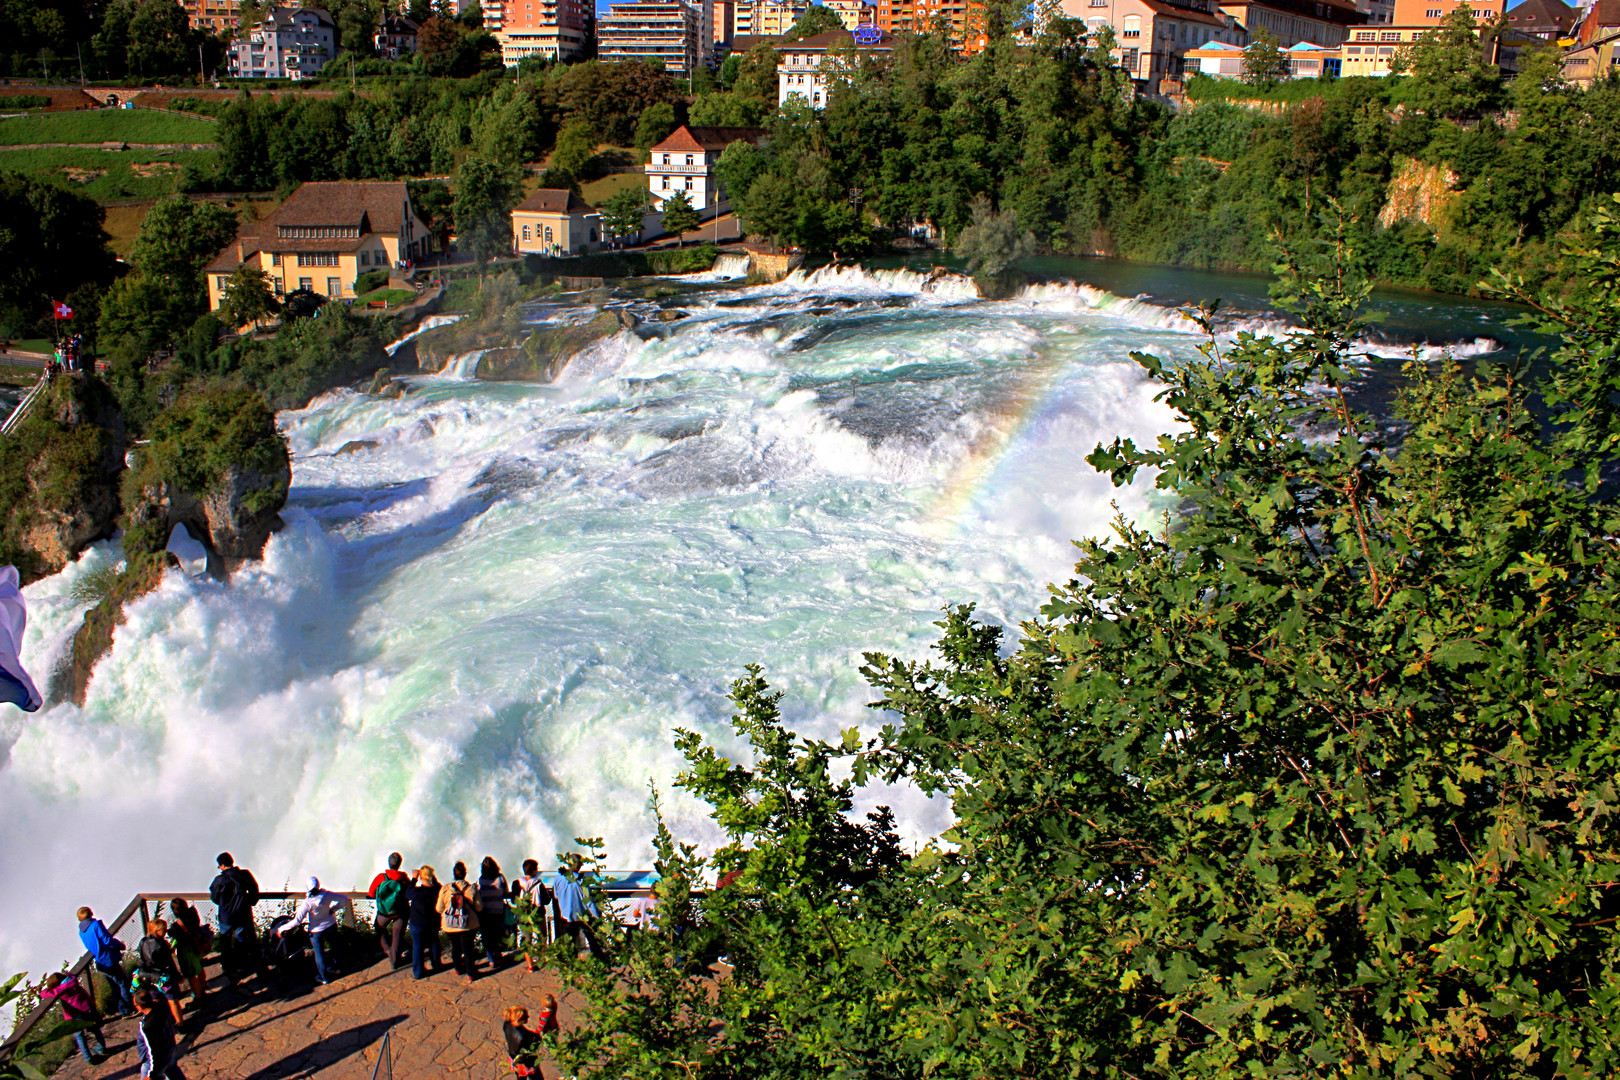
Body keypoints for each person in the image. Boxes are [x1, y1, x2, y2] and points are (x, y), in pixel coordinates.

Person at [282, 877, 351, 985]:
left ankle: (324, 978)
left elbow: (297, 921)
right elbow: (345, 899)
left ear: (307, 888)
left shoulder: (308, 903)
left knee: (319, 954)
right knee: (335, 947)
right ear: (318, 885)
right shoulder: (327, 895)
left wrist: (281, 928)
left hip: (316, 931)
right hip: (331, 925)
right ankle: (336, 968)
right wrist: (334, 909)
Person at [209, 852, 261, 981]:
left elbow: (214, 897)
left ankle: (227, 966)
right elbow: (254, 889)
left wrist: (222, 904)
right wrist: (250, 902)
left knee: (225, 940)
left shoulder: (219, 880)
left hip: (226, 915)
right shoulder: (244, 875)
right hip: (242, 913)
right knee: (241, 938)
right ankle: (242, 964)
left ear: (222, 865)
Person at [40, 972, 107, 1064]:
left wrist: (42, 990)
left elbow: (44, 994)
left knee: (79, 1035)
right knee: (94, 1028)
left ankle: (88, 1058)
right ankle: (102, 1048)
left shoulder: (61, 989)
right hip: (86, 1007)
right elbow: (70, 974)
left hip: (75, 1013)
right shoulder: (72, 980)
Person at [77, 906, 133, 1014]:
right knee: (123, 983)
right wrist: (120, 945)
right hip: (108, 959)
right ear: (90, 913)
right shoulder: (96, 925)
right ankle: (128, 1010)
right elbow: (107, 940)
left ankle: (123, 1010)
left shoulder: (81, 932)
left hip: (100, 962)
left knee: (114, 987)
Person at [436, 861, 482, 985]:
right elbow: (479, 908)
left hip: (450, 925)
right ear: (465, 874)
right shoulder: (471, 888)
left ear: (454, 874)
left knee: (455, 946)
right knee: (468, 949)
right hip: (468, 925)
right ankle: (471, 973)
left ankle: (457, 968)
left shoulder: (445, 889)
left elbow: (439, 908)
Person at [134, 919, 185, 1024]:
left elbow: (142, 959)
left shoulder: (143, 942)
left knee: (156, 1001)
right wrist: (178, 976)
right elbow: (169, 963)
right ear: (156, 930)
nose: (165, 931)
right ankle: (180, 1024)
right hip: (164, 977)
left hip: (151, 978)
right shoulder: (161, 946)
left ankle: (162, 1023)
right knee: (173, 1001)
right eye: (163, 929)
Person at [133, 988, 187, 1080]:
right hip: (170, 1051)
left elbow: (154, 1051)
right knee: (173, 1071)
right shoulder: (161, 1007)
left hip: (151, 1062)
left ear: (140, 1007)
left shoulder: (148, 1026)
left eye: (135, 1004)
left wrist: (151, 1074)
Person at [369, 852, 411, 969]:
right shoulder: (404, 879)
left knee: (378, 927)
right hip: (400, 912)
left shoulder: (381, 878)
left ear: (389, 863)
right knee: (397, 935)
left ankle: (386, 948)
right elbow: (410, 893)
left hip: (384, 912)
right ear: (399, 864)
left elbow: (371, 893)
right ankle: (395, 961)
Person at [553, 854, 599, 956]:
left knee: (569, 941)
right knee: (592, 938)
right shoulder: (582, 880)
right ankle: (598, 957)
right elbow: (588, 901)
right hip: (582, 915)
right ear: (578, 866)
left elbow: (556, 895)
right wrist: (596, 915)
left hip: (565, 916)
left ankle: (570, 960)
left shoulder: (558, 878)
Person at [512, 859, 550, 972]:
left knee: (526, 939)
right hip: (537, 914)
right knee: (542, 937)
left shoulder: (516, 883)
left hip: (523, 915)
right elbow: (546, 901)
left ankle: (530, 965)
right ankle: (542, 959)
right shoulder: (539, 883)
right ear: (533, 870)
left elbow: (514, 900)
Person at [407, 865, 444, 979]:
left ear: (421, 878)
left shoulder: (417, 892)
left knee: (418, 946)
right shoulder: (437, 890)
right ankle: (437, 965)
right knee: (434, 943)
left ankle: (418, 973)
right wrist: (433, 877)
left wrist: (414, 879)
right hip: (433, 922)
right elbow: (439, 885)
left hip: (417, 924)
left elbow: (407, 894)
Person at [165, 905, 207, 1002]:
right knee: (199, 968)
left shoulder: (176, 926)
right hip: (196, 947)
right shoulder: (192, 914)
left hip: (186, 950)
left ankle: (198, 997)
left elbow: (172, 934)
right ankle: (203, 990)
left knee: (191, 975)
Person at [476, 855, 508, 969]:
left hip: (484, 911)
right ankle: (498, 956)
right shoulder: (500, 878)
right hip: (498, 910)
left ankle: (491, 959)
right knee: (497, 936)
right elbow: (505, 892)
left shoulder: (481, 879)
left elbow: (478, 894)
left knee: (487, 937)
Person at [503, 1005, 541, 1077]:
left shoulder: (507, 1024)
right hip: (526, 1062)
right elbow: (532, 1048)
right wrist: (537, 1038)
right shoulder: (522, 1036)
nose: (528, 1017)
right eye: (526, 1016)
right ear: (519, 1020)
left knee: (520, 1077)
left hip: (515, 1059)